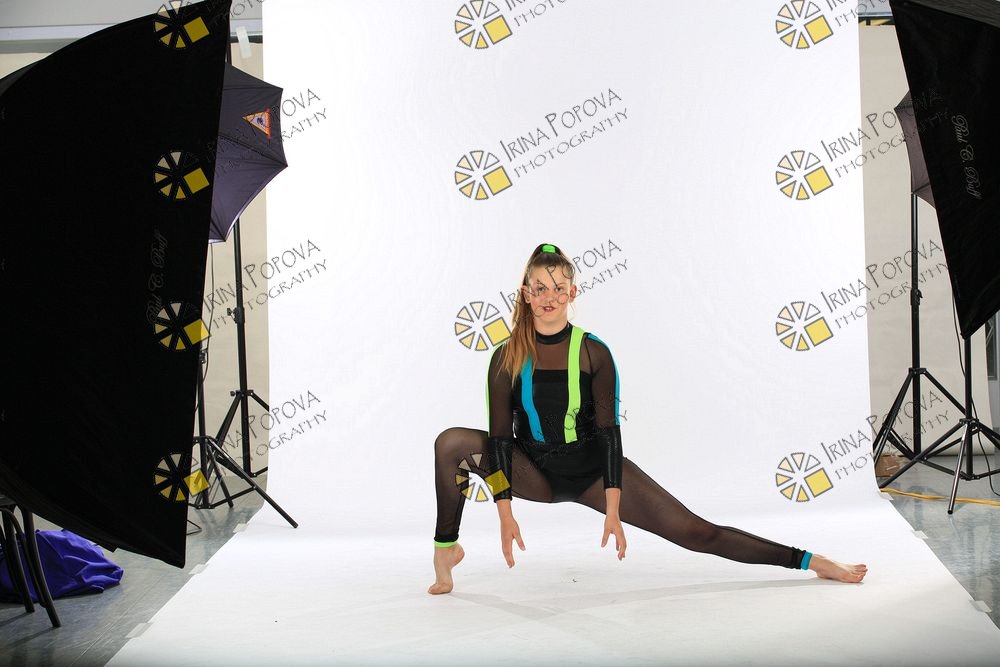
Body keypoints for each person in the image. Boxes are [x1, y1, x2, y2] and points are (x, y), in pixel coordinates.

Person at [429, 243, 867, 595]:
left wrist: (613, 508)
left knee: (697, 533)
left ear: (573, 294)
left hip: (592, 473)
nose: (549, 298)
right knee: (452, 443)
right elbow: (501, 442)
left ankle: (810, 561)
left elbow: (609, 436)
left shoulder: (593, 352)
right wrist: (504, 513)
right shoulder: (506, 357)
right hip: (533, 472)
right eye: (539, 288)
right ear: (526, 294)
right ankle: (446, 549)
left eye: (558, 288)